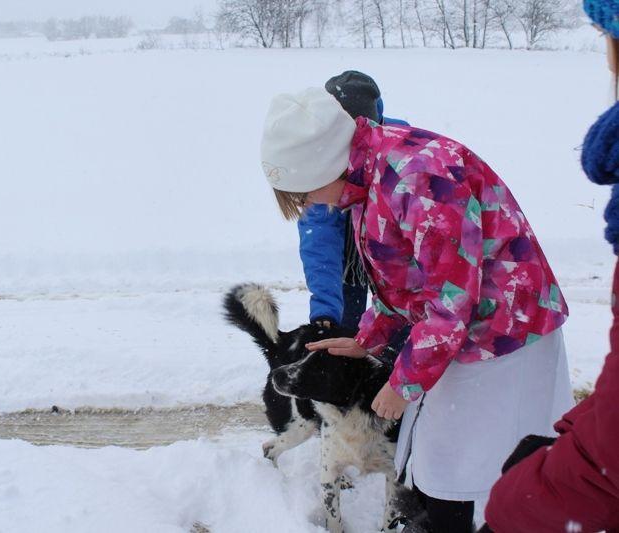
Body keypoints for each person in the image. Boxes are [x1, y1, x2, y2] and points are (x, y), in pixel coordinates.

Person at [259, 86, 573, 532]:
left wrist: (402, 382)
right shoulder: (367, 180)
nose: (309, 205)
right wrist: (366, 338)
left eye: (304, 192)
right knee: (433, 463)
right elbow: (406, 284)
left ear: (323, 162)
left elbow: (451, 298)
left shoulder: (417, 177)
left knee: (483, 468)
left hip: (506, 334)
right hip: (461, 335)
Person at [480, 1, 619, 530]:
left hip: (515, 327)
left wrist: (516, 500)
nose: (608, 63)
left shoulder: (418, 178)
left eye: (605, 37)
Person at [300, 71, 408, 335]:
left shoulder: (402, 147)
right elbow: (320, 236)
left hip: (395, 248)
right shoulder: (322, 161)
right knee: (347, 330)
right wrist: (325, 309)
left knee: (402, 326)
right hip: (352, 254)